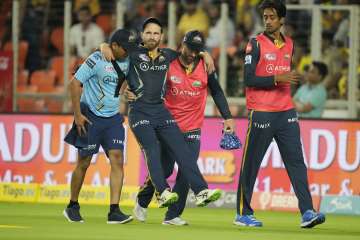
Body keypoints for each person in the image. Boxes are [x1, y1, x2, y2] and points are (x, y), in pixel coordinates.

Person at [100, 18, 222, 210]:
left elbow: (191, 51)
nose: (152, 36)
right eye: (148, 32)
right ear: (142, 35)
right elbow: (113, 49)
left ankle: (201, 191)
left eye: (156, 33)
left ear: (162, 36)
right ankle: (162, 192)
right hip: (139, 112)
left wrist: (206, 54)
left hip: (161, 112)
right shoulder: (132, 53)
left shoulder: (168, 55)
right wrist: (104, 46)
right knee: (153, 150)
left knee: (182, 151)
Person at [234, 0, 325, 228]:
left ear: (281, 19)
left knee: (296, 163)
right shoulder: (255, 43)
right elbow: (248, 79)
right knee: (251, 164)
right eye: (265, 16)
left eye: (272, 16)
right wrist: (278, 78)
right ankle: (243, 213)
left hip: (286, 112)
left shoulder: (290, 44)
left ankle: (307, 212)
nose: (267, 20)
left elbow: (285, 78)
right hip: (262, 112)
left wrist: (284, 81)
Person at [130, 30, 236, 225]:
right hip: (167, 126)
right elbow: (145, 63)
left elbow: (218, 92)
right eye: (189, 49)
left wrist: (227, 117)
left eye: (198, 50)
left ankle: (172, 216)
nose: (192, 54)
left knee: (187, 171)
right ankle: (142, 201)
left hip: (193, 128)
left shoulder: (205, 65)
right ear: (181, 45)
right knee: (166, 169)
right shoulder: (167, 62)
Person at [63, 29, 137, 224]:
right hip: (90, 117)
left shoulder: (128, 60)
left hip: (113, 118)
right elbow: (74, 83)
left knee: (117, 159)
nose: (128, 52)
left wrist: (128, 92)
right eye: (125, 48)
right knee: (84, 163)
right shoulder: (97, 59)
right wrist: (77, 115)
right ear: (114, 46)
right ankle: (72, 205)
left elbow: (124, 84)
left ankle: (114, 211)